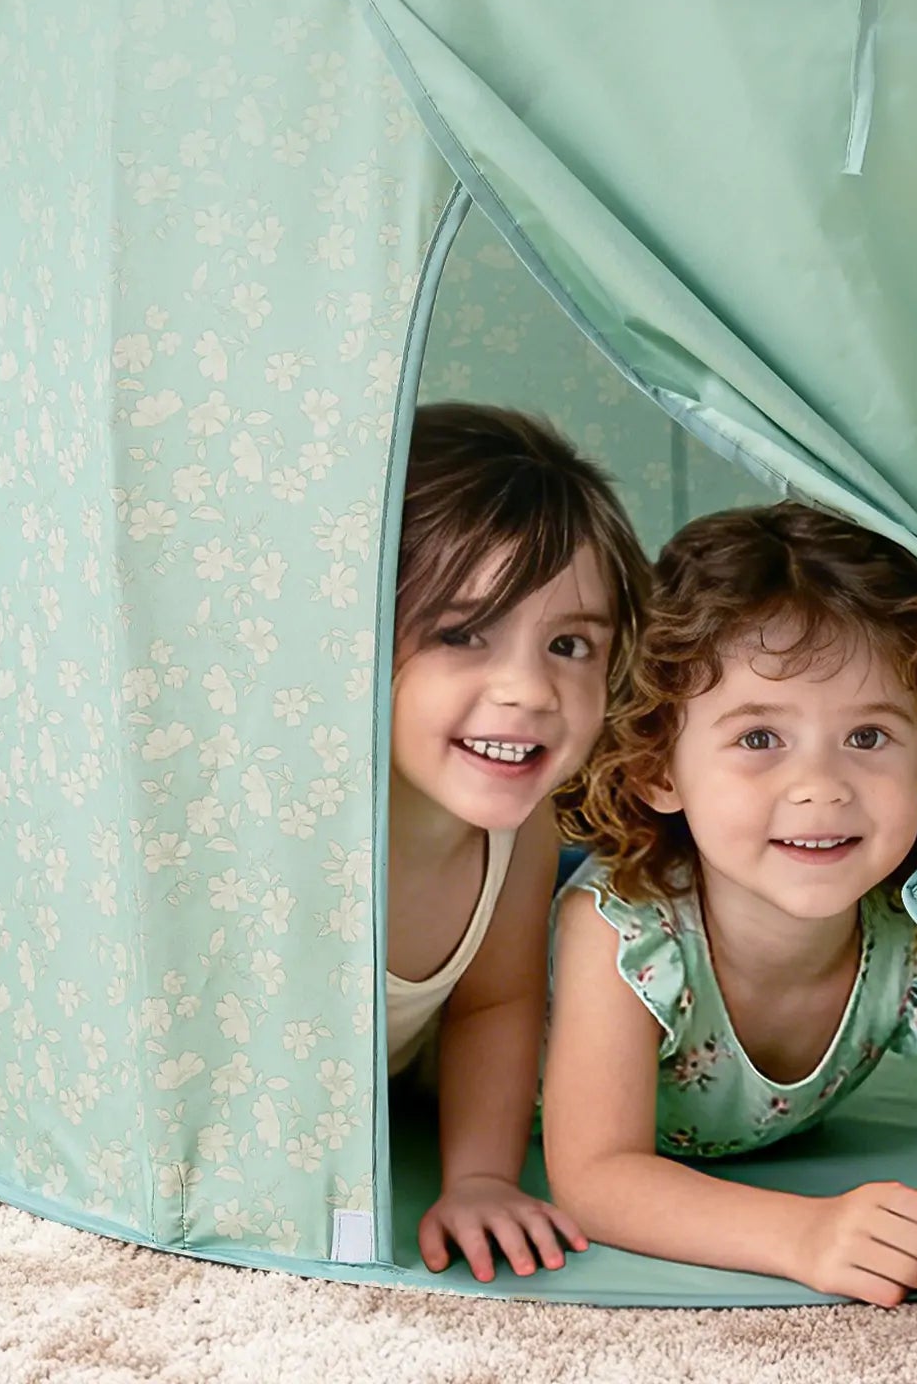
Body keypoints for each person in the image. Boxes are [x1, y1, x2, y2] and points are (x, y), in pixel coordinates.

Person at [544, 503, 917, 1306]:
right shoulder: (621, 927)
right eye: (760, 738)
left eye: (868, 737)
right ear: (659, 768)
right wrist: (801, 1235)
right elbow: (596, 1174)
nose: (822, 786)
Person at [387, 402, 648, 1283]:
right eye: (463, 633)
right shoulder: (301, 828)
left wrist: (481, 1178)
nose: (529, 690)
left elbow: (493, 1007)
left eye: (570, 644)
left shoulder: (520, 832)